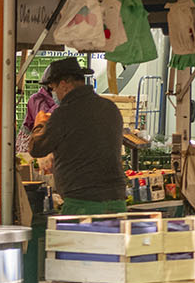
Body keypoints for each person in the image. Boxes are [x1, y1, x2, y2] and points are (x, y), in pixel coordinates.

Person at [27, 56, 127, 214]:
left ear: (64, 85)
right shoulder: (110, 108)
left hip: (83, 203)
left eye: (53, 89)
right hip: (118, 202)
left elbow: (36, 148)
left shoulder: (64, 113)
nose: (54, 94)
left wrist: (39, 123)